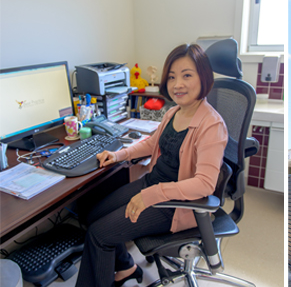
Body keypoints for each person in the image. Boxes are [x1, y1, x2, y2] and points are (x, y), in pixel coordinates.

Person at [77, 44, 229, 287]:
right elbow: (151, 144)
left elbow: (205, 184)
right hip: (151, 185)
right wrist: (119, 155)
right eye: (172, 76)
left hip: (175, 205)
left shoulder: (212, 125)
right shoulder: (174, 112)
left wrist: (152, 195)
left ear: (204, 77)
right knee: (91, 215)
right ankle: (127, 267)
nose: (177, 84)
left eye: (187, 75)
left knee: (99, 235)